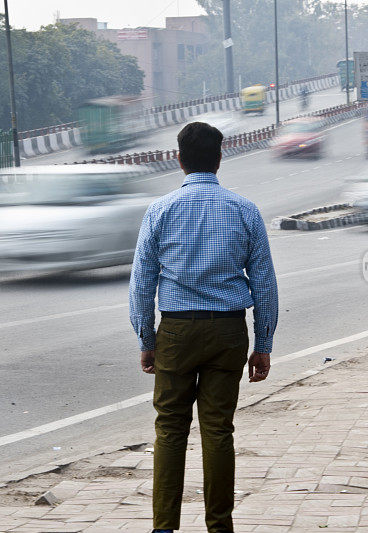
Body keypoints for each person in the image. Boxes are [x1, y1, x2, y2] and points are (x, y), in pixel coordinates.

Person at [129, 121, 278, 533]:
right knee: (218, 430)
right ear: (219, 158)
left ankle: (163, 526)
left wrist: (146, 338)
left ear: (179, 160)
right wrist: (263, 343)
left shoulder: (160, 210)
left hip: (175, 333)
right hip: (230, 333)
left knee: (171, 428)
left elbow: (142, 284)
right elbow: (264, 282)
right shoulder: (244, 210)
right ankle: (219, 526)